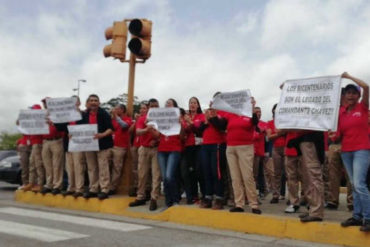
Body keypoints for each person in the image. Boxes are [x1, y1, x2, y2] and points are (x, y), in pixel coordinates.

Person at [336, 72, 370, 232]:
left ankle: (368, 218)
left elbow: (366, 86)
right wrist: (333, 135)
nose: (350, 95)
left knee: (360, 184)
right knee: (354, 185)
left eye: (353, 92)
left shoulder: (362, 107)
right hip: (346, 151)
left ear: (358, 95)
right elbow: (339, 135)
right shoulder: (342, 113)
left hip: (361, 150)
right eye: (348, 93)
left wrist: (348, 76)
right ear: (344, 96)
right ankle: (357, 216)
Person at [225, 98, 262, 214]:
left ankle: (254, 204)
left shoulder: (250, 115)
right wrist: (215, 110)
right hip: (231, 148)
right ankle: (239, 204)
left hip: (245, 148)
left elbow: (255, 122)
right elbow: (220, 124)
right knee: (235, 177)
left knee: (247, 176)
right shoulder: (231, 116)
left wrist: (251, 108)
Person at [79, 94, 114, 200]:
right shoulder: (84, 115)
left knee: (103, 167)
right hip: (89, 145)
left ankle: (104, 189)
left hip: (102, 144)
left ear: (99, 103)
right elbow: (79, 128)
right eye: (91, 100)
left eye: (95, 100)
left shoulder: (104, 114)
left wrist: (101, 135)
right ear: (88, 103)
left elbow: (110, 129)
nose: (93, 102)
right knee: (91, 168)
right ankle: (93, 188)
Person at [129, 99, 161, 211]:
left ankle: (154, 198)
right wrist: (147, 129)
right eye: (152, 106)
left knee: (156, 175)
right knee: (141, 174)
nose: (154, 108)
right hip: (143, 148)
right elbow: (137, 132)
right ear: (148, 107)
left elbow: (163, 135)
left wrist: (156, 141)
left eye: (156, 106)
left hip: (156, 148)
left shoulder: (161, 119)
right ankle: (140, 196)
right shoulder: (143, 118)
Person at [198, 93, 227, 209]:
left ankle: (219, 197)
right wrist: (205, 120)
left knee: (217, 172)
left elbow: (221, 127)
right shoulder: (206, 113)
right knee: (207, 171)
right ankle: (208, 196)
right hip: (205, 145)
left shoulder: (224, 113)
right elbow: (199, 131)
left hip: (218, 145)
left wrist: (213, 116)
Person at [156, 99, 184, 207]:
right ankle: (169, 202)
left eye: (170, 103)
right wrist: (150, 128)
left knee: (169, 176)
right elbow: (158, 135)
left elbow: (182, 137)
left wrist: (181, 124)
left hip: (174, 150)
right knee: (165, 177)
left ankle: (175, 199)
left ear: (174, 106)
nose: (167, 104)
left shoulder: (178, 118)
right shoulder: (162, 118)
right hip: (162, 150)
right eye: (166, 103)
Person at [182, 97, 204, 204]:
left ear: (198, 105)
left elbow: (199, 131)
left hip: (199, 146)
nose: (192, 104)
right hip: (189, 146)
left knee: (200, 171)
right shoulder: (186, 117)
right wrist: (186, 122)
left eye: (195, 103)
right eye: (191, 102)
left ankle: (204, 194)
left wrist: (190, 122)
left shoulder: (202, 116)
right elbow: (185, 131)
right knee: (191, 171)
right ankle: (194, 195)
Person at [40, 98, 65, 195]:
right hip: (45, 141)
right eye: (44, 103)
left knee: (57, 164)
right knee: (47, 164)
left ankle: (57, 185)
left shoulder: (58, 114)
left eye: (47, 102)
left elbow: (63, 126)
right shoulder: (41, 115)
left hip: (56, 140)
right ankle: (49, 184)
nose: (45, 104)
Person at [110, 104, 133, 195]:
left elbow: (124, 126)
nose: (115, 110)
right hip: (110, 145)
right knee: (105, 166)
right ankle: (105, 185)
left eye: (117, 109)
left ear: (122, 110)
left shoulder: (128, 119)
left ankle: (112, 187)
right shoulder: (112, 120)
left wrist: (115, 116)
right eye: (114, 109)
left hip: (120, 147)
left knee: (117, 167)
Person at [266, 104, 287, 203]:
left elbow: (288, 132)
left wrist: (277, 133)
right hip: (276, 148)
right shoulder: (270, 123)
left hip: (287, 148)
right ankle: (275, 195)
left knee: (289, 173)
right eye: (275, 110)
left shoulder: (286, 121)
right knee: (277, 173)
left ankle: (292, 197)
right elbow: (269, 137)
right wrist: (280, 133)